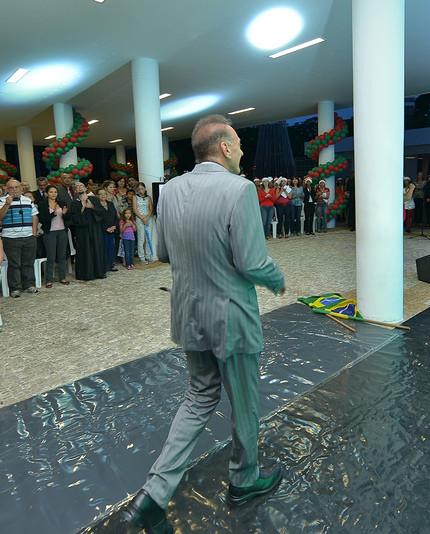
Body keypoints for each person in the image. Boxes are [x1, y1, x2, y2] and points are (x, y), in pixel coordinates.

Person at [123, 115, 285, 533]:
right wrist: (277, 278)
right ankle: (244, 480)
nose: (243, 151)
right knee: (244, 402)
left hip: (188, 313)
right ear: (225, 148)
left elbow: (162, 253)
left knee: (199, 397)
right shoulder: (240, 189)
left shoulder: (170, 190)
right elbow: (252, 262)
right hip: (231, 317)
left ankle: (153, 495)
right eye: (239, 144)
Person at [0, 179, 39, 297]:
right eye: (11, 188)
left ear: (21, 188)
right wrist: (7, 204)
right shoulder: (1, 201)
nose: (15, 190)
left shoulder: (28, 200)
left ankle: (29, 285)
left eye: (17, 187)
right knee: (14, 264)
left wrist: (34, 232)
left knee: (28, 262)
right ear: (7, 189)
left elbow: (34, 216)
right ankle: (14, 288)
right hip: (11, 237)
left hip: (28, 236)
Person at [68, 181, 107, 281]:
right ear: (75, 191)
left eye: (81, 186)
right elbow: (74, 219)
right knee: (84, 250)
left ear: (85, 188)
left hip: (95, 228)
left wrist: (92, 207)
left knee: (97, 249)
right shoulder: (74, 203)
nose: (80, 188)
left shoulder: (93, 199)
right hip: (82, 231)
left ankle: (99, 272)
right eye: (77, 187)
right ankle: (85, 274)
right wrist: (83, 208)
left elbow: (101, 212)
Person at [37, 185, 70, 287]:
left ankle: (62, 277)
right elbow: (42, 220)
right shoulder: (42, 205)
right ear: (47, 193)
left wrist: (65, 214)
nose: (53, 194)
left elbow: (68, 219)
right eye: (51, 192)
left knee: (62, 255)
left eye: (55, 192)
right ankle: (49, 279)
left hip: (62, 231)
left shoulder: (62, 203)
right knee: (51, 256)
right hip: (50, 233)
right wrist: (53, 214)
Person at [96, 187, 120, 271]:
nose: (103, 195)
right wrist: (106, 228)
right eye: (101, 194)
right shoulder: (97, 206)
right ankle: (104, 266)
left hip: (112, 229)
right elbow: (98, 219)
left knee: (111, 248)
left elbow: (115, 216)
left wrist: (114, 226)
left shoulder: (110, 204)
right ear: (97, 196)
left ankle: (111, 264)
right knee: (104, 248)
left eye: (104, 194)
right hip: (102, 231)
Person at [133, 182, 157, 264]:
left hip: (148, 218)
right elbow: (135, 209)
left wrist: (147, 218)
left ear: (145, 189)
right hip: (140, 218)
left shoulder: (148, 197)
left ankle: (148, 256)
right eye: (139, 189)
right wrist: (142, 218)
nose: (141, 191)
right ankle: (142, 257)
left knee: (148, 237)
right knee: (141, 238)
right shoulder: (135, 197)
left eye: (142, 189)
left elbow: (151, 209)